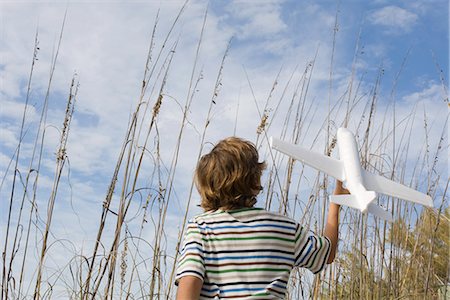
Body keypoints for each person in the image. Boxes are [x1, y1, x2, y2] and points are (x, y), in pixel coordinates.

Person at [175, 137, 346, 299]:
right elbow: (327, 253)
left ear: (206, 184)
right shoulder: (285, 228)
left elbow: (189, 284)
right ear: (254, 179)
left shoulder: (201, 228)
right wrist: (335, 204)